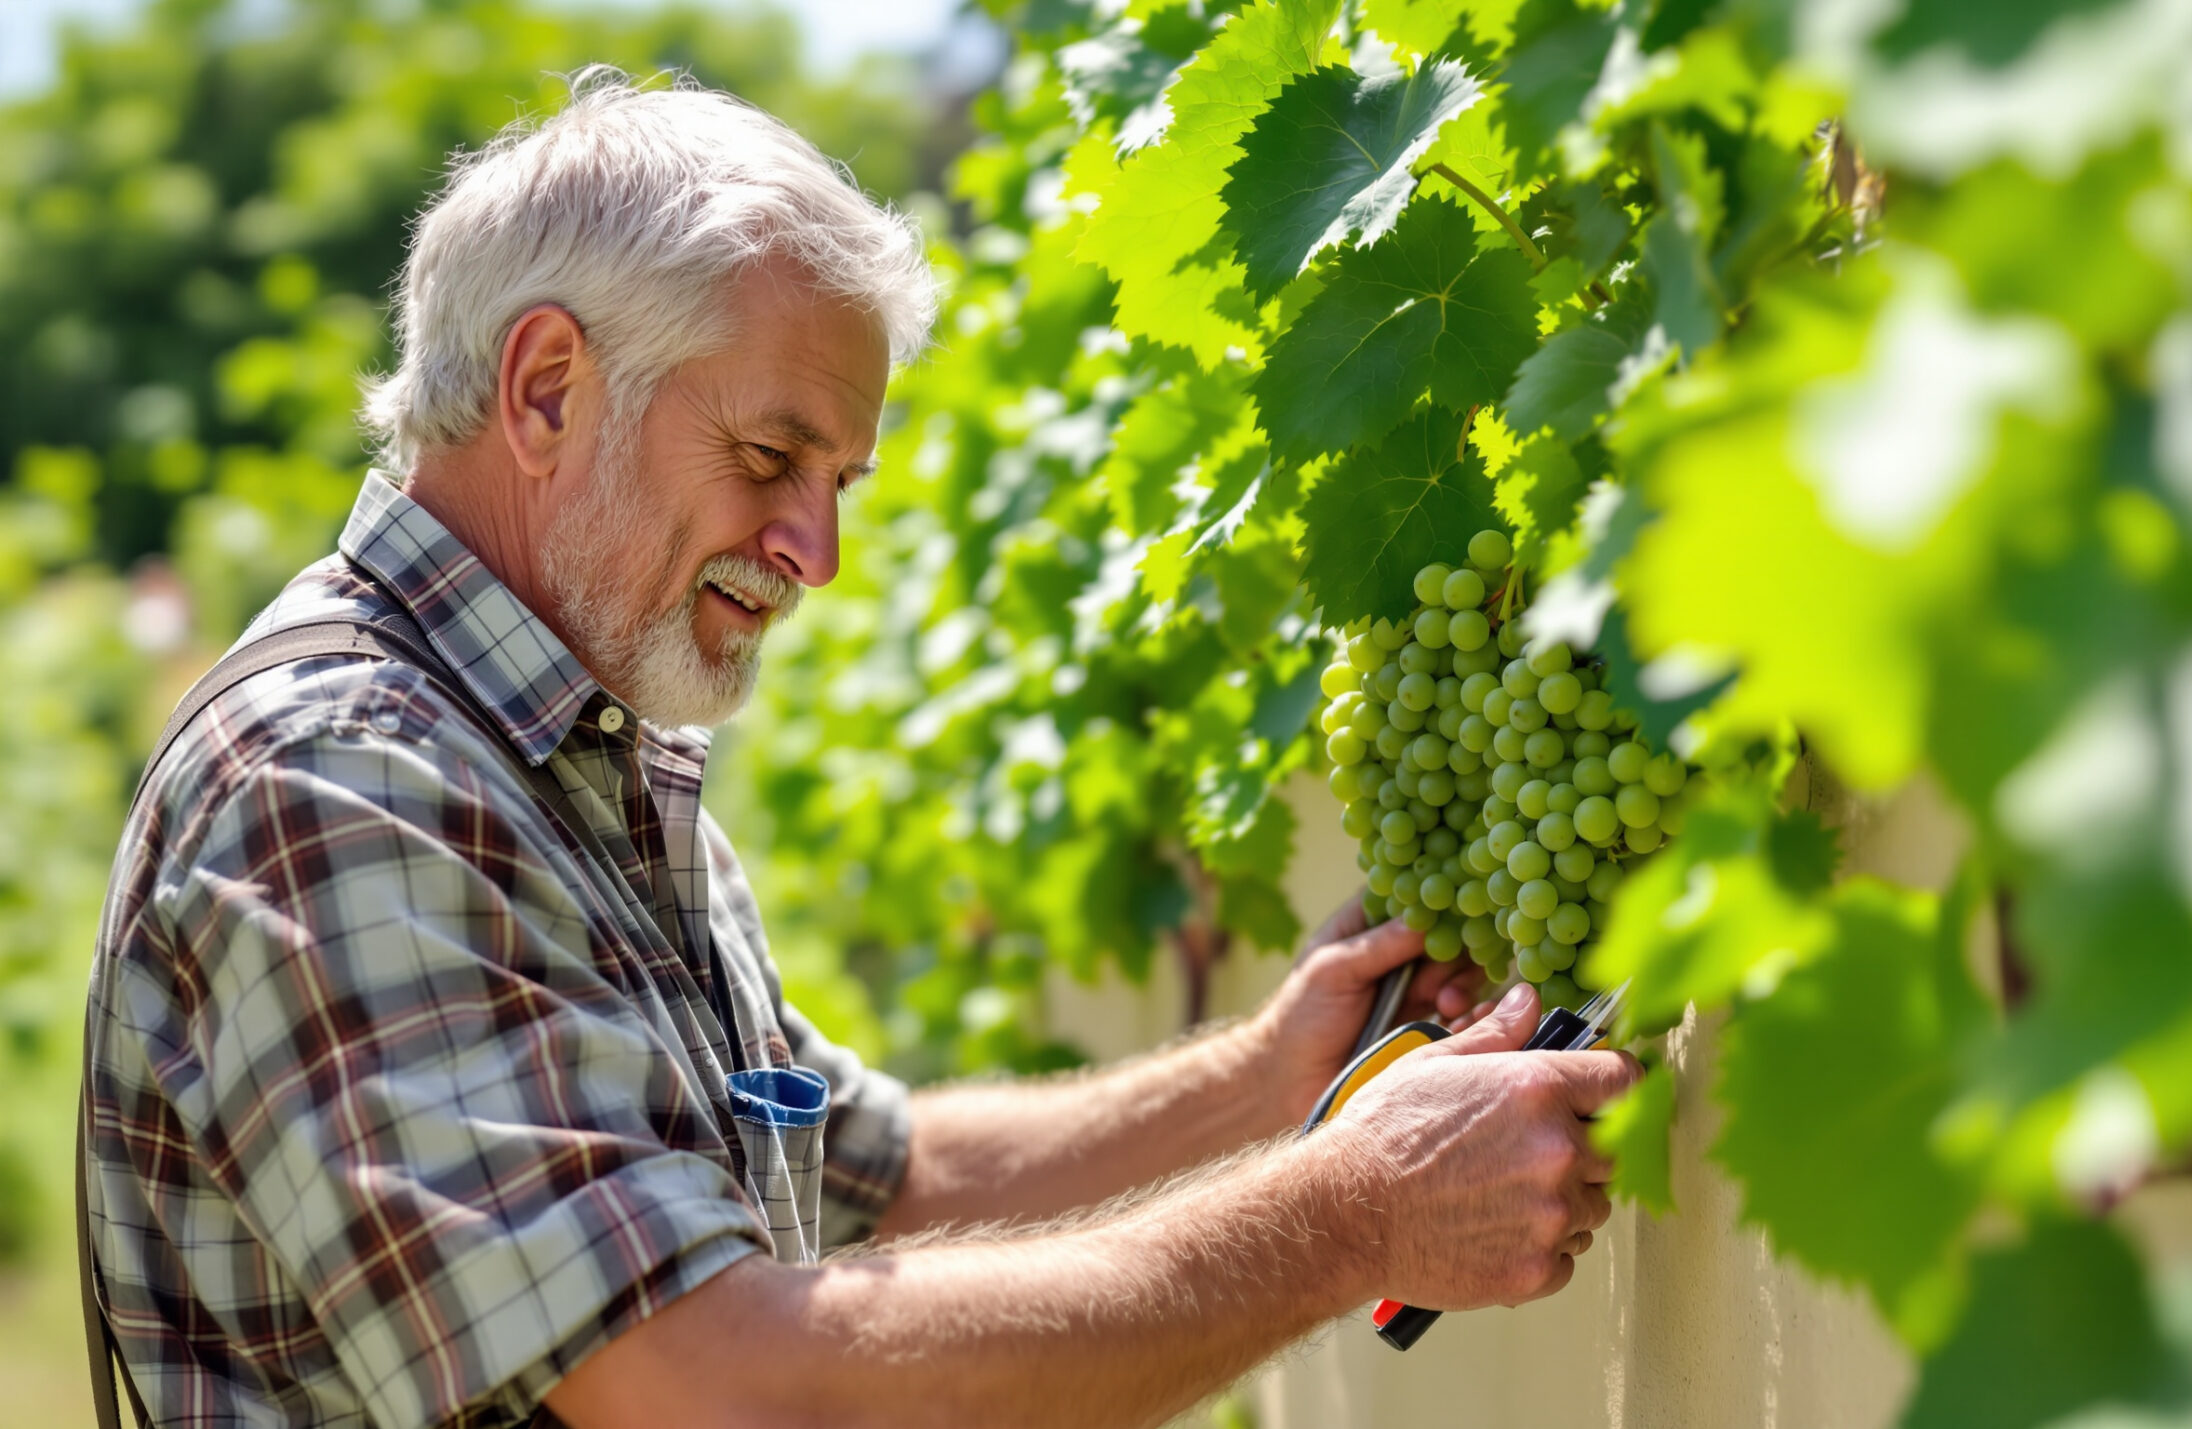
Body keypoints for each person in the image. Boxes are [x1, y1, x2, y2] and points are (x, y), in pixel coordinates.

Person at [81, 69, 1638, 1429]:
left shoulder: (570, 763)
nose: (814, 551)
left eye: (839, 482)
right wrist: (1354, 1213)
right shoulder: (334, 784)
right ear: (547, 389)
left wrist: (1268, 1075)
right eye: (770, 455)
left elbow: (865, 1172)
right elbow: (727, 1391)